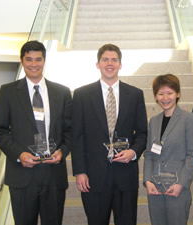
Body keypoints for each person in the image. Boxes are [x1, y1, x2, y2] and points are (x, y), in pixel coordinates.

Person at [0, 41, 72, 225]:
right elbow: (0, 131)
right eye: (29, 59)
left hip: (53, 175)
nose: (34, 64)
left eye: (38, 59)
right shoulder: (8, 92)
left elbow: (70, 130)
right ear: (22, 61)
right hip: (22, 175)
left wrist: (62, 151)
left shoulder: (62, 92)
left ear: (44, 61)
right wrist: (19, 154)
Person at [71, 43, 147, 225]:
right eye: (105, 59)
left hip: (125, 174)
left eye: (114, 60)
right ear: (98, 64)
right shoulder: (82, 95)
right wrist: (80, 171)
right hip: (94, 176)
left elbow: (143, 132)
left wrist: (133, 152)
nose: (110, 63)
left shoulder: (135, 94)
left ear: (120, 64)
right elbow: (77, 136)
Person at [143, 74, 193, 225]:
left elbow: (192, 155)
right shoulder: (154, 121)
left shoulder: (188, 119)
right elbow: (149, 154)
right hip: (155, 187)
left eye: (170, 93)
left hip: (177, 187)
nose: (165, 97)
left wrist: (181, 183)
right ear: (155, 96)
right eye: (160, 93)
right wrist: (147, 180)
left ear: (178, 94)